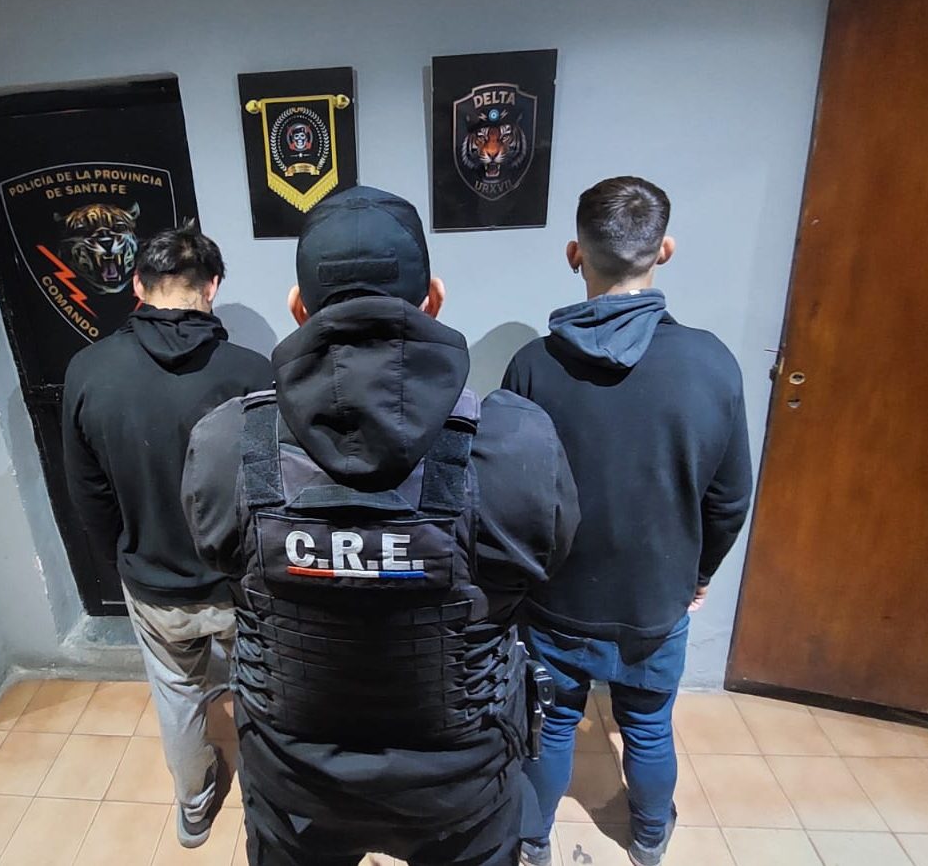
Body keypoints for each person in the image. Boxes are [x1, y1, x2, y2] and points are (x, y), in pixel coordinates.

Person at [181, 186, 578, 866]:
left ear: (298, 307)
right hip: (459, 795)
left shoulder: (225, 445)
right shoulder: (518, 443)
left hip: (297, 791)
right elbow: (549, 562)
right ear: (433, 299)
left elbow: (216, 557)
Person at [503, 177, 753, 866]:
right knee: (647, 723)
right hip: (655, 599)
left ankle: (532, 842)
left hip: (556, 595)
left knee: (551, 722)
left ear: (574, 254)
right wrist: (699, 573)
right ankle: (647, 838)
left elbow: (508, 490)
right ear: (663, 250)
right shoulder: (712, 363)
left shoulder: (531, 367)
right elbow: (730, 497)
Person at [61, 221, 273, 847]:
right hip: (241, 582)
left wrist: (126, 562)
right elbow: (274, 488)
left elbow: (88, 493)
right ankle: (268, 807)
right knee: (261, 692)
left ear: (137, 285)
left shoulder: (88, 370)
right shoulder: (251, 372)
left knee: (178, 696)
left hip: (152, 579)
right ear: (212, 286)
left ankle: (195, 805)